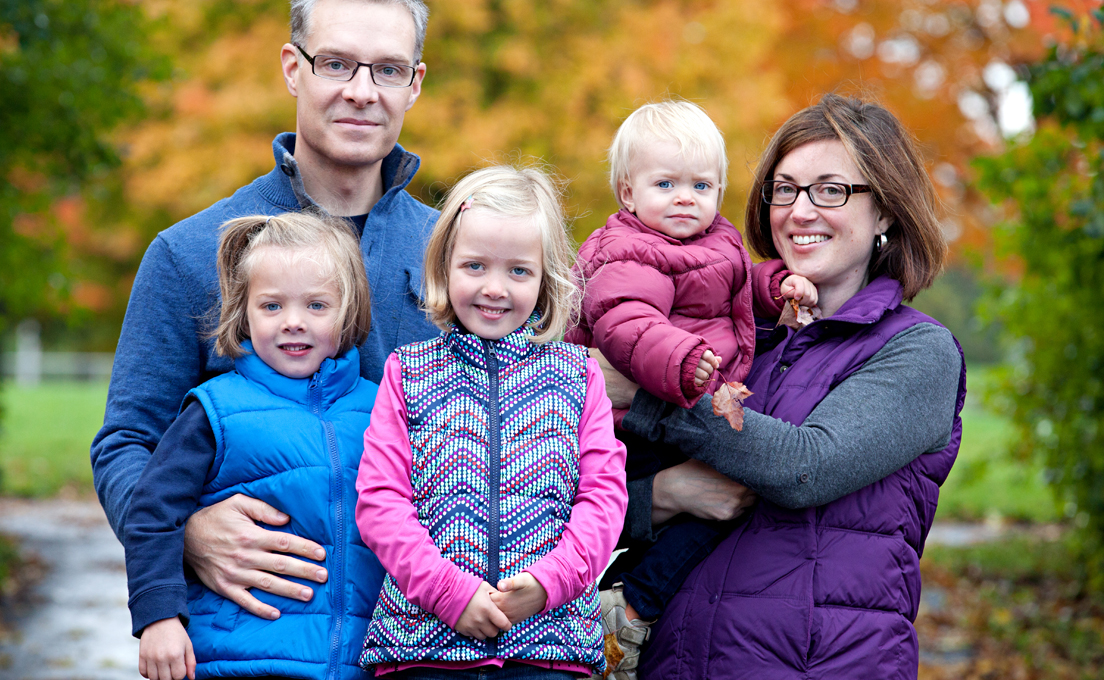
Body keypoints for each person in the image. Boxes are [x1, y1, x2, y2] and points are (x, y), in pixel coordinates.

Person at [92, 0, 438, 622]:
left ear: (414, 84)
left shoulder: (460, 260)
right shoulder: (191, 253)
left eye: (388, 70)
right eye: (336, 64)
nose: (362, 92)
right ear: (292, 68)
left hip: (428, 642)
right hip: (257, 636)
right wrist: (186, 534)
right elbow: (127, 442)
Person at [618, 94, 965, 680]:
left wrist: (649, 387)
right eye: (784, 189)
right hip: (671, 663)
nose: (800, 211)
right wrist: (664, 496)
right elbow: (581, 502)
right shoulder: (726, 337)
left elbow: (807, 467)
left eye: (830, 190)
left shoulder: (917, 351)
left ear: (885, 211)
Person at [564, 100, 807, 679]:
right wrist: (680, 360)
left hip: (682, 408)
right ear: (627, 193)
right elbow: (626, 322)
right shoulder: (628, 250)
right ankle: (633, 605)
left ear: (720, 191)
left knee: (714, 509)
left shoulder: (715, 241)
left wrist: (777, 285)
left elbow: (741, 286)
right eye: (665, 184)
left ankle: (619, 606)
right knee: (717, 503)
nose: (684, 198)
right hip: (635, 423)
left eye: (701, 186)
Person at [354, 166, 628, 679]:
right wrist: (449, 594)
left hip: (550, 648)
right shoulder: (408, 372)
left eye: (519, 271)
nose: (494, 288)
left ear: (545, 278)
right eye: (475, 266)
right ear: (445, 266)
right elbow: (381, 502)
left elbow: (604, 499)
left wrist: (549, 583)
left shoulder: (576, 375)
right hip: (425, 648)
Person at [123, 213, 382, 680]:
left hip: (360, 662)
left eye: (317, 305)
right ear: (244, 313)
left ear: (349, 311)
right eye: (271, 306)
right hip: (238, 658)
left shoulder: (381, 409)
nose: (293, 322)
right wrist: (159, 617)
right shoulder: (216, 410)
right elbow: (152, 511)